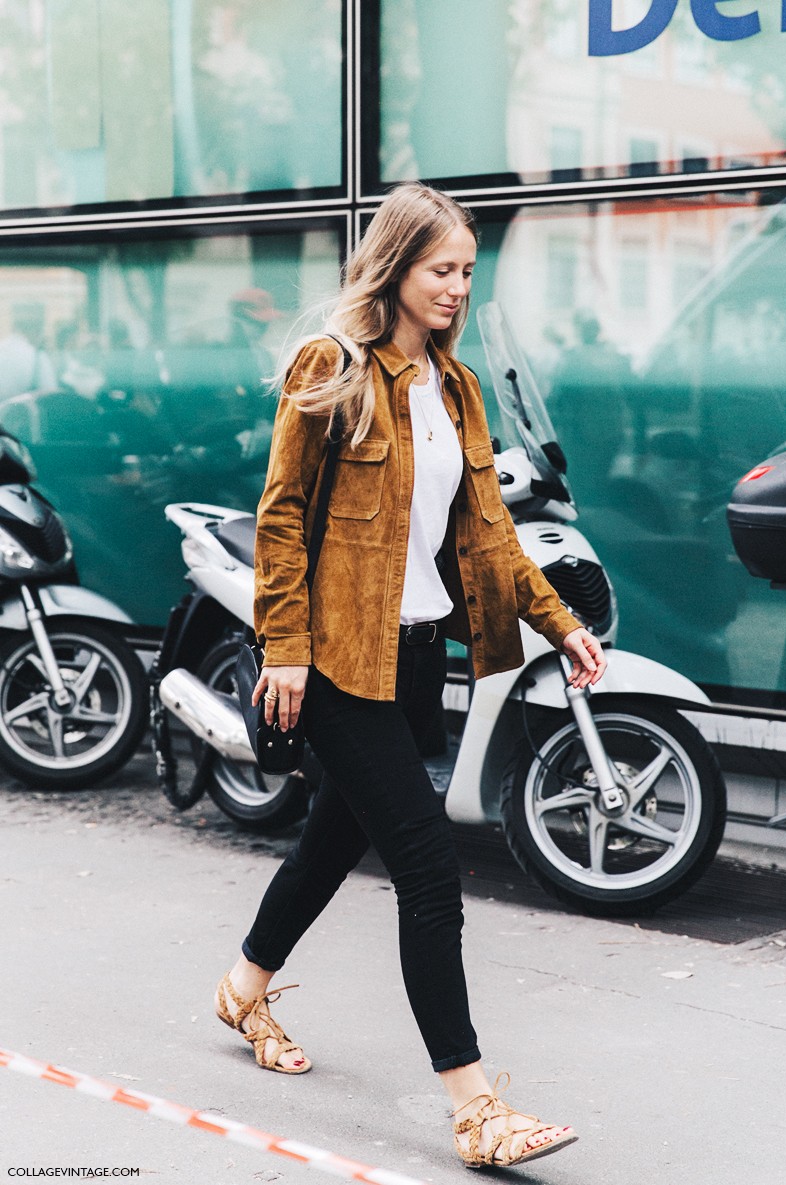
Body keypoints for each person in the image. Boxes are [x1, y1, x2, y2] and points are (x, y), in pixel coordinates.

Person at [214, 183, 606, 1168]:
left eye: (469, 272)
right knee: (429, 871)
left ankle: (243, 987)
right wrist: (287, 648)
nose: (458, 289)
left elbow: (487, 533)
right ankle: (475, 1108)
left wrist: (557, 623)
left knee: (329, 843)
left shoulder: (457, 387)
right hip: (340, 661)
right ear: (395, 268)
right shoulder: (333, 368)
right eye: (442, 270)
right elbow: (279, 518)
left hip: (420, 656)